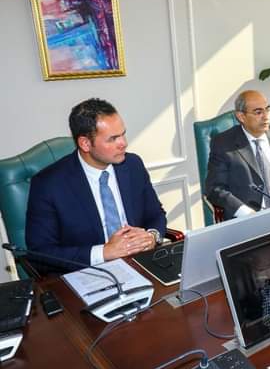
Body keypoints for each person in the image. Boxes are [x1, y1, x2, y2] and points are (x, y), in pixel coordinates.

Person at [26, 98, 166, 271]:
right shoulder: (48, 184)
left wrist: (152, 237)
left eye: (123, 134)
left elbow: (155, 214)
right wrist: (104, 253)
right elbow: (40, 254)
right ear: (85, 144)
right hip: (88, 272)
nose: (123, 143)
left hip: (140, 264)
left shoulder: (132, 165)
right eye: (113, 139)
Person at [205, 90, 270, 219]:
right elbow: (215, 189)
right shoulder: (223, 144)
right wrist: (245, 212)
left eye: (267, 109)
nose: (266, 116)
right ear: (241, 116)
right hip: (252, 218)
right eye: (258, 112)